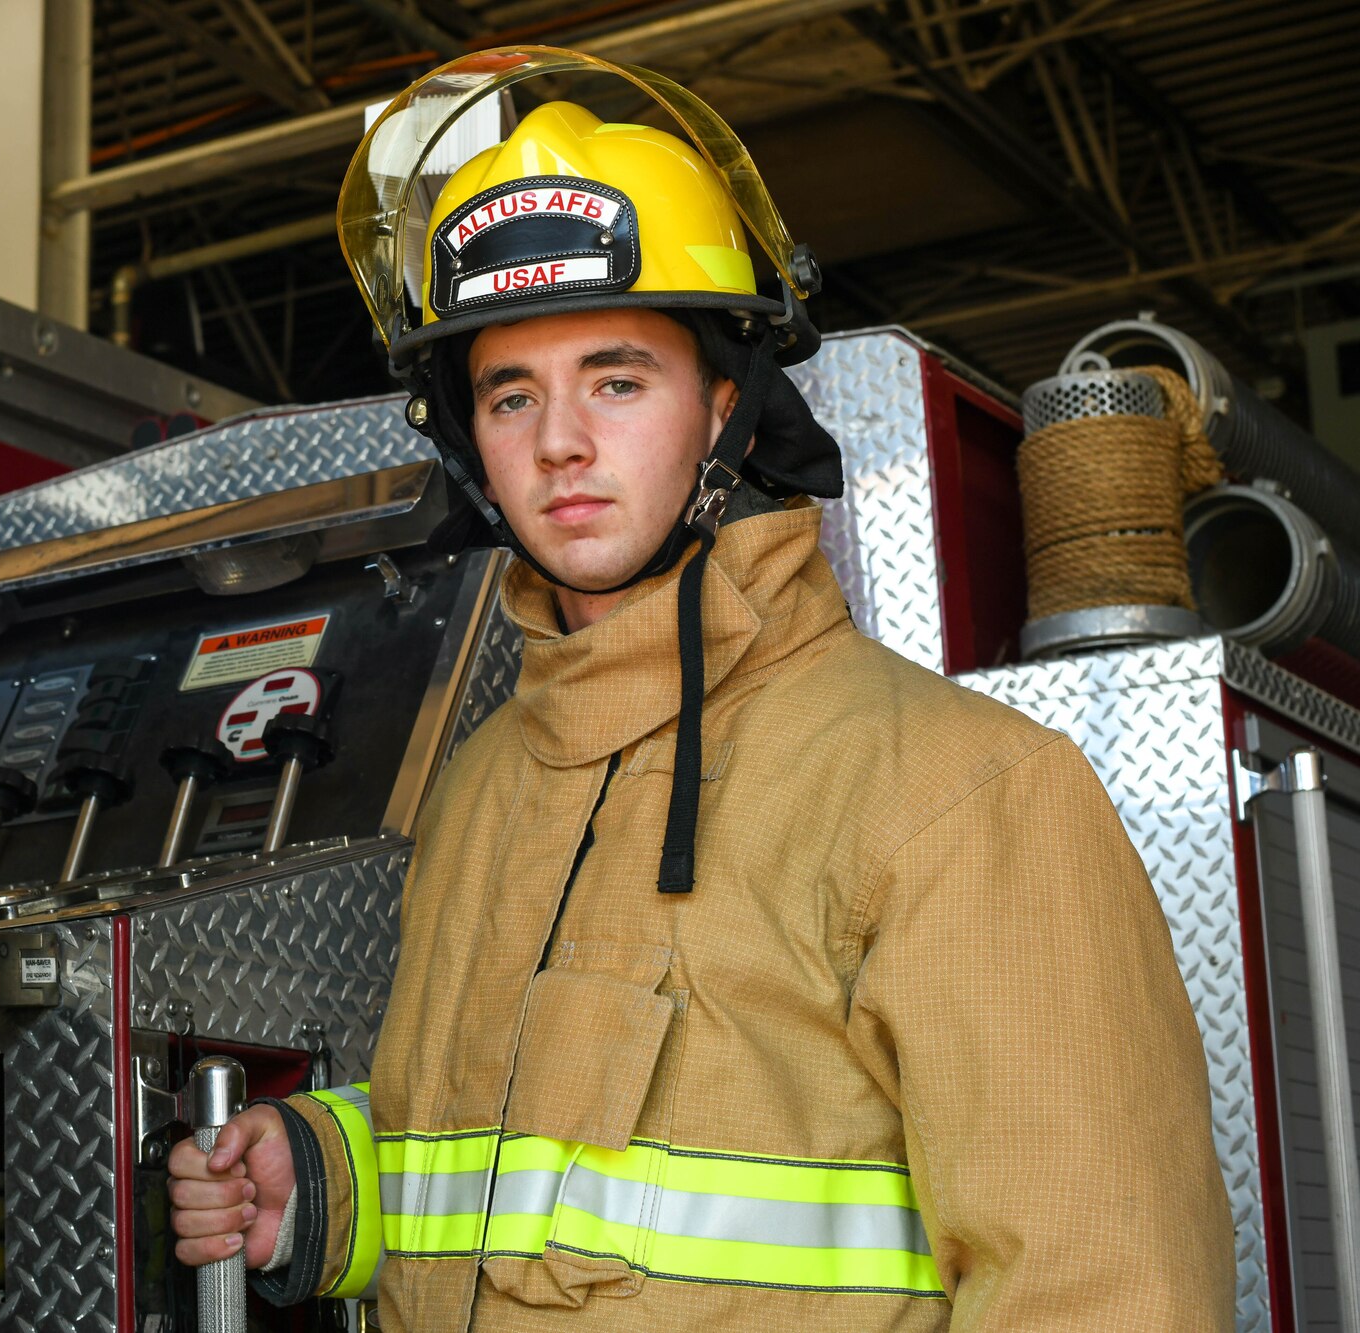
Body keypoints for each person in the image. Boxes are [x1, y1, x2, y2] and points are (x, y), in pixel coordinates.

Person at [170, 47, 1233, 1330]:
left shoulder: (961, 796)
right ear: (469, 442)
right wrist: (329, 1185)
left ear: (726, 407)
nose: (559, 441)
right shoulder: (482, 785)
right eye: (511, 394)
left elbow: (1104, 1292)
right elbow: (514, 1172)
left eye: (616, 380)